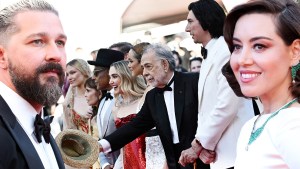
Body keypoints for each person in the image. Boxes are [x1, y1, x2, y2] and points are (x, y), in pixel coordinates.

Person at [99, 43, 210, 169]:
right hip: (176, 164)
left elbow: (211, 117)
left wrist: (200, 146)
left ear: (164, 64)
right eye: (143, 67)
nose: (145, 73)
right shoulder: (152, 97)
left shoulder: (194, 81)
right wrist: (102, 145)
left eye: (148, 67)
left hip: (204, 159)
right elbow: (135, 126)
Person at [222, 0, 300, 168]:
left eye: (259, 46)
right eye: (237, 46)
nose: (242, 59)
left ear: (295, 52)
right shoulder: (252, 124)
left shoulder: (293, 124)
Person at [179, 0, 254, 169]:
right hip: (221, 152)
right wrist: (205, 144)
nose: (186, 28)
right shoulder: (212, 52)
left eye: (190, 21)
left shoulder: (225, 51)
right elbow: (206, 110)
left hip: (235, 150)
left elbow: (227, 104)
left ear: (206, 20)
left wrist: (199, 144)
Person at [0, 0, 66, 168]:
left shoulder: (40, 123)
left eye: (60, 42)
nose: (56, 54)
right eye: (38, 41)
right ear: (2, 56)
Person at [128, 42, 168, 169]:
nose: (128, 65)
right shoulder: (148, 89)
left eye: (130, 61)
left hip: (162, 154)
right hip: (150, 152)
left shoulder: (155, 90)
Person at [87, 49, 124, 169]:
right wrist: (105, 164)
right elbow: (100, 138)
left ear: (110, 72)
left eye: (97, 72)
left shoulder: (124, 100)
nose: (93, 77)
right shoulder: (103, 101)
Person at [109, 60, 147, 169]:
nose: (111, 81)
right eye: (110, 77)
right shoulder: (116, 107)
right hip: (126, 162)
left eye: (115, 76)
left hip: (146, 161)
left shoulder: (144, 100)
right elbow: (122, 142)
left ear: (127, 76)